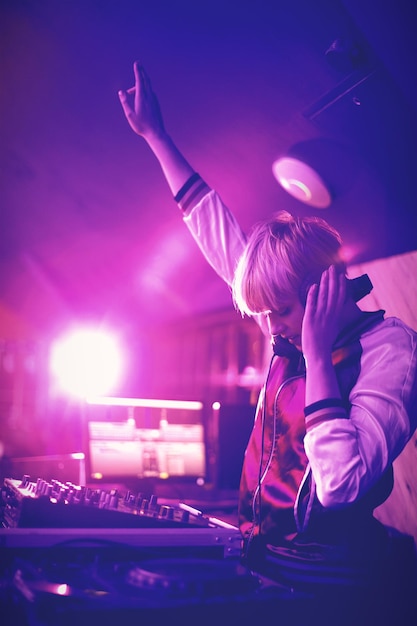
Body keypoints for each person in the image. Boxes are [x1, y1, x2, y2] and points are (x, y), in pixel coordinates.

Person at [118, 61, 417, 606]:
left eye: (278, 311)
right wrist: (156, 136)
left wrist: (320, 356)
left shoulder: (391, 352)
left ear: (324, 290)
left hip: (334, 586)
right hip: (262, 562)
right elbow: (216, 231)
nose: (269, 326)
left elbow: (341, 486)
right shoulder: (285, 318)